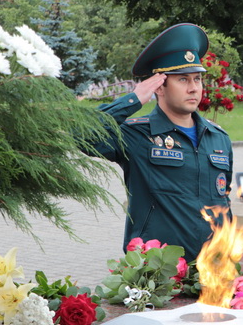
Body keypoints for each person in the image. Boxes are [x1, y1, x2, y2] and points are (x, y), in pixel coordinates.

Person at [85, 23, 233, 260]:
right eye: (183, 80)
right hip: (156, 273)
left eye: (197, 79)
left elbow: (223, 201)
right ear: (159, 86)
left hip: (211, 273)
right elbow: (81, 134)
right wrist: (133, 100)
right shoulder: (137, 134)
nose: (194, 88)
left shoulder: (218, 138)